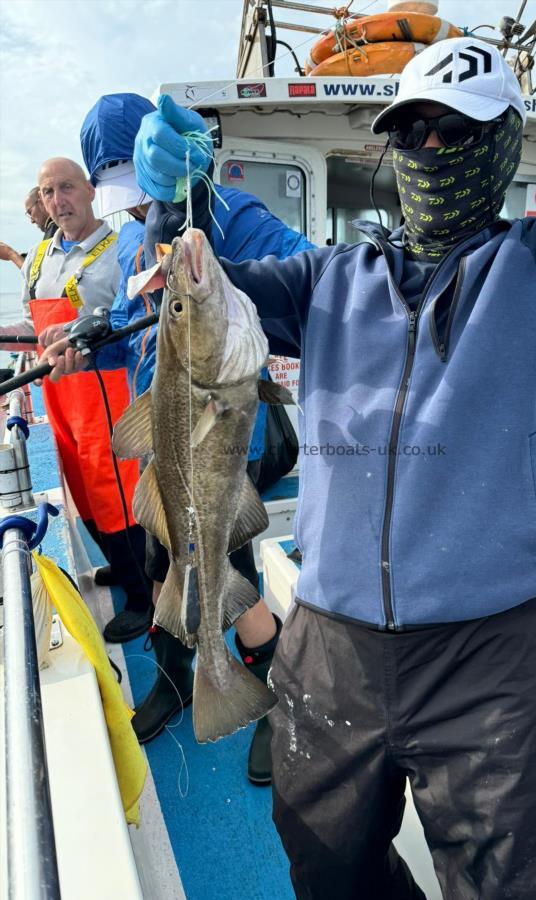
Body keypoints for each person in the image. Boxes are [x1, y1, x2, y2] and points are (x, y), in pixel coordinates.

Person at [135, 0, 536, 894]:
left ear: (501, 144)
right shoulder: (327, 277)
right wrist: (175, 208)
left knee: (518, 885)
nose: (428, 150)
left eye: (453, 131)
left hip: (491, 662)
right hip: (329, 643)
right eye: (411, 132)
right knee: (326, 864)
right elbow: (209, 295)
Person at [50, 92, 314, 784]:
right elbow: (150, 334)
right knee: (166, 567)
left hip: (221, 437)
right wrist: (89, 338)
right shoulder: (145, 232)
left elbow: (315, 271)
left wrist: (213, 222)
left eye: (134, 192)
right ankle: (176, 680)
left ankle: (274, 701)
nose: (132, 208)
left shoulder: (224, 216)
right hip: (164, 433)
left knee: (236, 577)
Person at [0, 158, 153, 643]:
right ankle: (120, 566)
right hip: (58, 395)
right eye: (48, 192)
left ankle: (145, 593)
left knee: (117, 493)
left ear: (90, 191)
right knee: (81, 490)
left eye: (67, 188)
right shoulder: (42, 256)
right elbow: (33, 325)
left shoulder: (119, 249)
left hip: (104, 391)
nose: (57, 200)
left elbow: (133, 319)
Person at [0, 187, 58, 270]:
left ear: (41, 201)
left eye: (30, 212)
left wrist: (10, 254)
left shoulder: (55, 228)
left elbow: (38, 274)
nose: (32, 221)